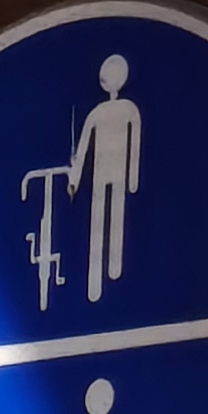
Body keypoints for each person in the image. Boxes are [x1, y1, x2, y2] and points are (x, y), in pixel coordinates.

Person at [66, 53, 140, 299]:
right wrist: (75, 178)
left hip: (113, 168)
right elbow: (84, 145)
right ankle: (98, 278)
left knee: (112, 214)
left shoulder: (125, 109)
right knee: (102, 216)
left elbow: (135, 143)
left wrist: (133, 180)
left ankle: (112, 270)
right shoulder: (107, 111)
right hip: (104, 169)